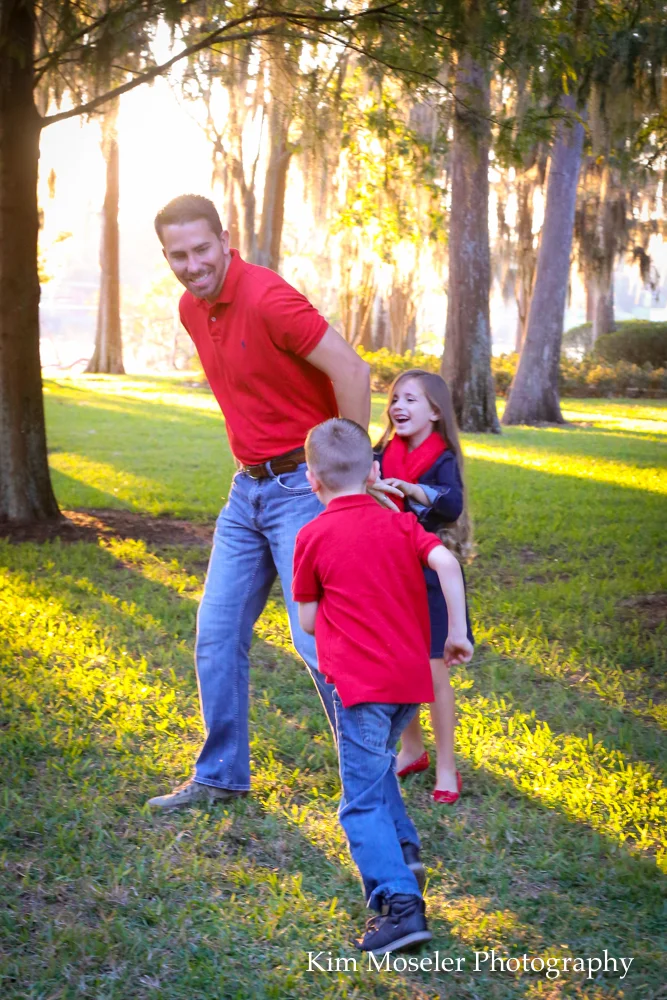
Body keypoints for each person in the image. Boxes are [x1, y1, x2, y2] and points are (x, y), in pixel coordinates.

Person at [147, 195, 370, 810]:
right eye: (178, 255)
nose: (193, 265)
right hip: (246, 490)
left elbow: (353, 372)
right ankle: (219, 777)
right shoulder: (191, 309)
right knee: (216, 633)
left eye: (202, 249)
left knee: (317, 640)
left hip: (305, 486)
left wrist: (352, 474)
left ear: (226, 240)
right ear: (166, 257)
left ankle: (368, 775)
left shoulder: (269, 296)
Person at [292, 418, 473, 954]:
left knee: (359, 801)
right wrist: (456, 632)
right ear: (373, 472)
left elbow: (307, 622)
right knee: (376, 767)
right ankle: (403, 850)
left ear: (311, 479)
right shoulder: (400, 524)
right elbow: (446, 561)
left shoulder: (312, 536)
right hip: (408, 682)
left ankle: (400, 906)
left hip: (361, 686)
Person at [373, 370, 474, 804]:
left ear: (435, 412)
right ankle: (412, 749)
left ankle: (447, 766)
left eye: (411, 400)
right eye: (395, 399)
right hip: (387, 574)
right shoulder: (379, 454)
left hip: (429, 575)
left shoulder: (442, 457)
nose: (399, 406)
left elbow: (451, 504)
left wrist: (413, 490)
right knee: (399, 668)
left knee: (432, 672)